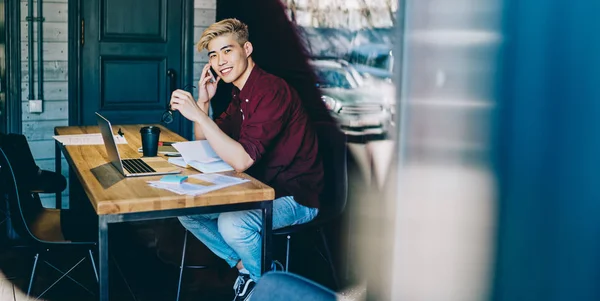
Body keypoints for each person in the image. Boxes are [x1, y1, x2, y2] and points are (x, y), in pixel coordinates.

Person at [169, 18, 324, 301]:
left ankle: (267, 287)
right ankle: (251, 269)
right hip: (258, 188)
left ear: (247, 48)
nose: (219, 61)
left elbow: (241, 160)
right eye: (213, 55)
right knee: (188, 211)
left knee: (233, 223)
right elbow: (205, 146)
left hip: (296, 195)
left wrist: (199, 114)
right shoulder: (240, 95)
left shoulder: (270, 90)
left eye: (227, 51)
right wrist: (204, 103)